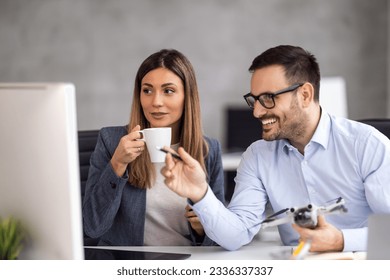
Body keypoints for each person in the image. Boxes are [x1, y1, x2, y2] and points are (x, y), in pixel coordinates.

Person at [161, 45, 390, 252]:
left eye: (268, 98)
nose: (257, 112)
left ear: (305, 95)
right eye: (255, 100)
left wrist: (340, 240)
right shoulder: (258, 156)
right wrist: (201, 193)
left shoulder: (368, 145)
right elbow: (236, 235)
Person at [83, 49, 225, 246]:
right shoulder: (112, 140)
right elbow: (92, 227)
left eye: (168, 91)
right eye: (147, 90)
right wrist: (117, 164)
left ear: (187, 96)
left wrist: (204, 230)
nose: (155, 102)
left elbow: (223, 236)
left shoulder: (208, 150)